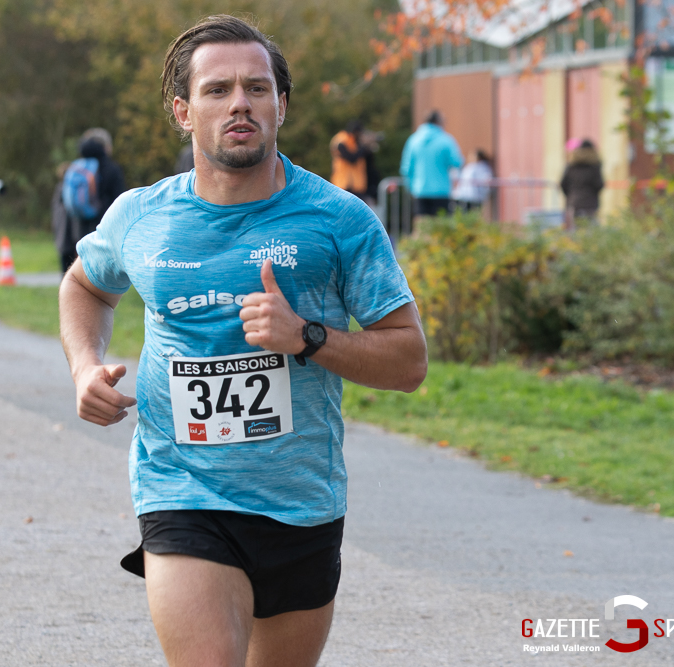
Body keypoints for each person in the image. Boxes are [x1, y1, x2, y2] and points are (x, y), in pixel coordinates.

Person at [58, 14, 427, 667]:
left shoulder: (338, 219)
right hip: (182, 489)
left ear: (281, 106)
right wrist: (85, 365)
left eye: (257, 89)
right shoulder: (141, 216)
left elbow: (408, 360)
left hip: (300, 503)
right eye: (218, 89)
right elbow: (85, 286)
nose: (240, 104)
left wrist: (307, 337)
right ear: (183, 111)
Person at [55, 128, 126, 275]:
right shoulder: (111, 169)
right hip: (101, 230)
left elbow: (62, 203)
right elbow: (120, 201)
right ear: (106, 147)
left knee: (75, 277)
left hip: (75, 231)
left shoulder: (75, 168)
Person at [399, 110, 463, 221]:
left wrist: (409, 187)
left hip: (419, 190)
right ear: (438, 122)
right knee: (441, 226)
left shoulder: (413, 140)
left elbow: (406, 168)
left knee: (421, 225)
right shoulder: (446, 140)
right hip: (441, 190)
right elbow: (457, 162)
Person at [560, 138, 604, 227]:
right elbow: (599, 184)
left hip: (574, 203)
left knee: (575, 229)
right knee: (590, 230)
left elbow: (563, 184)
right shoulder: (594, 167)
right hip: (590, 204)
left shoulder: (571, 166)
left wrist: (570, 195)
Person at [329, 119, 371, 201]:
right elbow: (351, 158)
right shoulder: (341, 139)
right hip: (343, 184)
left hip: (356, 185)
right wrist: (364, 146)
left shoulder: (354, 141)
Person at [452, 149, 494, 213]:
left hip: (475, 197)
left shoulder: (482, 167)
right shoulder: (471, 166)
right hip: (464, 196)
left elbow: (487, 180)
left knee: (473, 214)